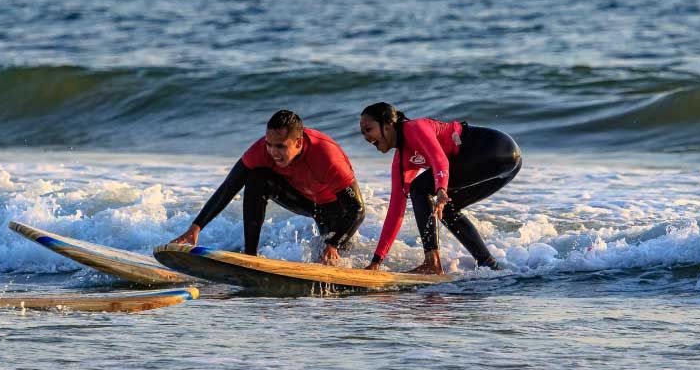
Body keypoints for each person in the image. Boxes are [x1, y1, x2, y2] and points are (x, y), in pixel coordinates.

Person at [172, 110, 365, 263]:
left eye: (280, 146)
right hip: (305, 201)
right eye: (269, 144)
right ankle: (250, 256)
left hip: (337, 210)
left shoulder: (327, 156)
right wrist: (196, 228)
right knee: (257, 178)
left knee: (335, 254)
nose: (273, 152)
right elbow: (228, 188)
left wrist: (333, 244)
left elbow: (357, 209)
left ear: (298, 142)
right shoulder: (261, 151)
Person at [359, 102, 521, 274]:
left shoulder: (415, 128)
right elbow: (395, 211)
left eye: (369, 129)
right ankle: (489, 264)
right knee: (447, 208)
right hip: (507, 163)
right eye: (362, 133)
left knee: (419, 188)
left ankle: (432, 263)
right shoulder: (401, 161)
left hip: (495, 147)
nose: (366, 137)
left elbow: (440, 160)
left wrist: (441, 189)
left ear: (388, 124)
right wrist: (377, 260)